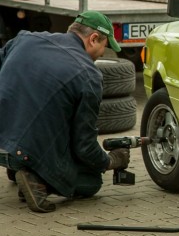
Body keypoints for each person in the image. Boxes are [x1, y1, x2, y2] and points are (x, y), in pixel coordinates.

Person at [0, 11, 131, 213]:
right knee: (91, 182)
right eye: (105, 45)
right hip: (23, 151)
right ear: (93, 38)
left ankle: (18, 169)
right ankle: (36, 180)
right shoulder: (89, 75)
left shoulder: (25, 38)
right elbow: (84, 146)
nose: (103, 53)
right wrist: (110, 161)